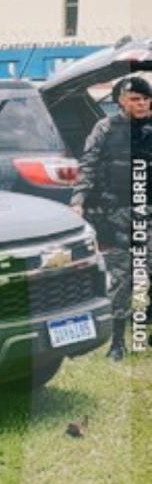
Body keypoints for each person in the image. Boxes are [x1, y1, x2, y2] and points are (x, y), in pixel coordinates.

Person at [71, 76, 152, 361]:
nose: (141, 104)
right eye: (135, 99)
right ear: (121, 101)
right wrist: (78, 200)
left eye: (145, 99)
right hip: (119, 213)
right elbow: (88, 164)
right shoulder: (105, 128)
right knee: (122, 275)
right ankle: (118, 342)